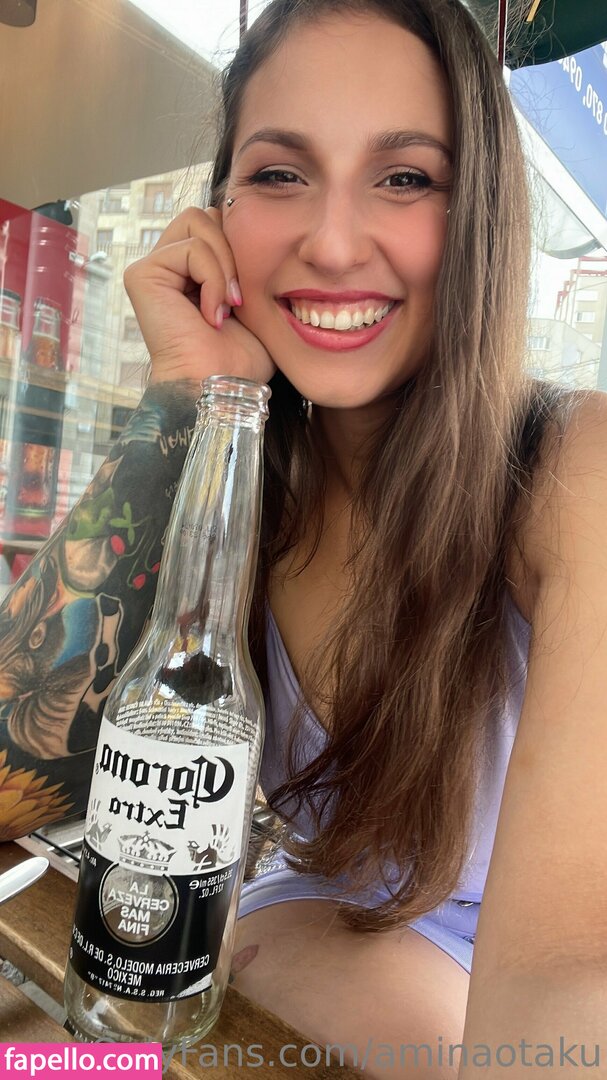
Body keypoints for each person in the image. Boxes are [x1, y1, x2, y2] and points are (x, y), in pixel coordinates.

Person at [2, 0, 607, 1074]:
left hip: (499, 988)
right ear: (220, 211)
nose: (330, 243)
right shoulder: (247, 483)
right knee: (64, 1057)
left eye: (405, 177)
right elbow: (13, 777)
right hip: (295, 933)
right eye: (280, 174)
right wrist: (188, 396)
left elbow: (568, 971)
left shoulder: (572, 469)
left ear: (480, 212)